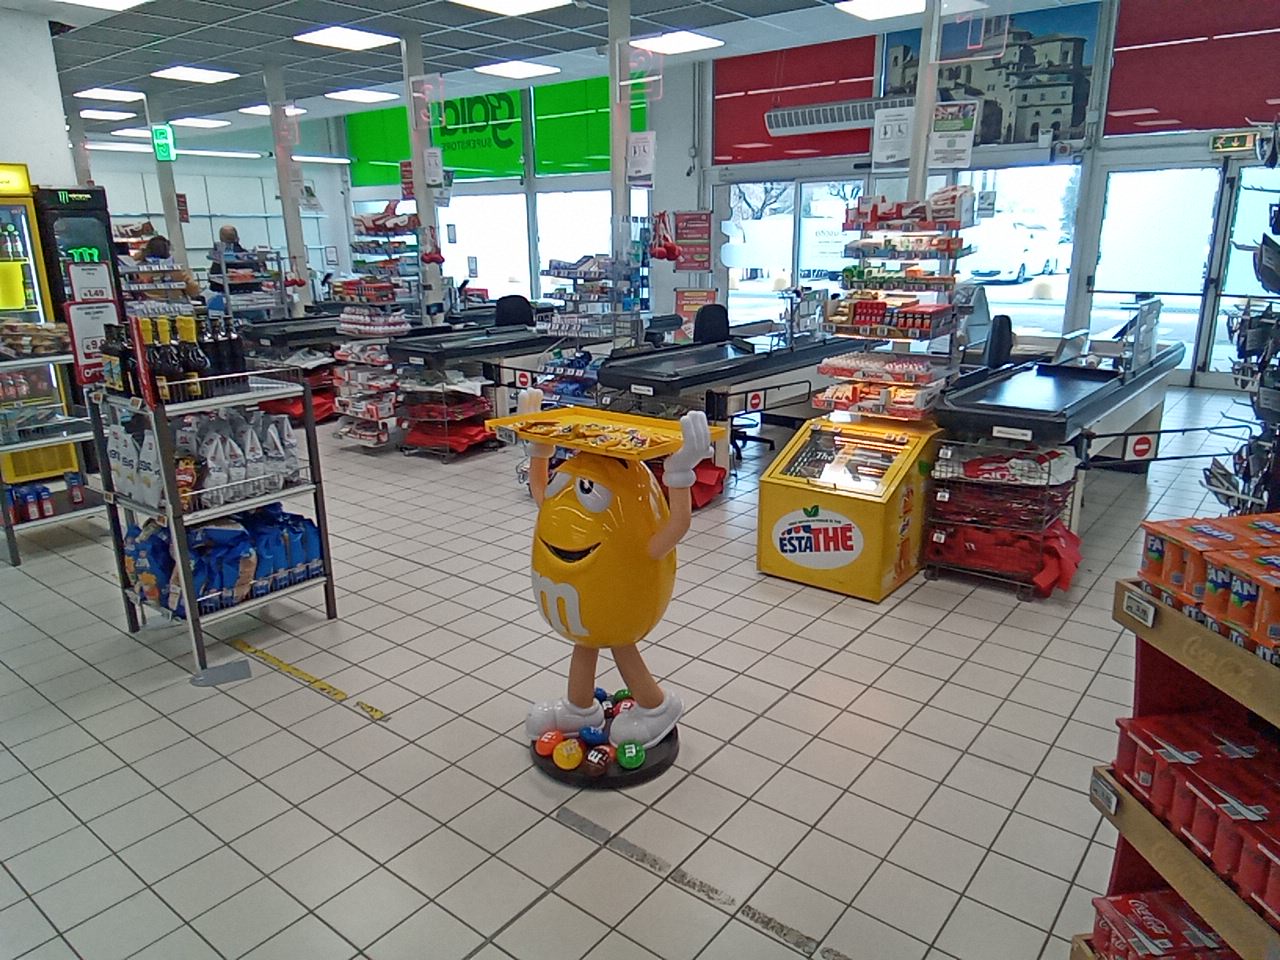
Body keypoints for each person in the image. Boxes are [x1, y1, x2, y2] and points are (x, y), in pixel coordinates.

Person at [520, 389, 711, 750]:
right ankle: (578, 708)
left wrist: (680, 472)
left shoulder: (636, 517)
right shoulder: (560, 500)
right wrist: (538, 445)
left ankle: (657, 706)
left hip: (624, 598)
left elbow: (678, 525)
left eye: (586, 490)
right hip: (586, 600)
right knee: (587, 640)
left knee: (621, 641)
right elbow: (541, 489)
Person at [133, 235, 200, 299]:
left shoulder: (137, 269)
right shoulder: (176, 271)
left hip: (147, 302)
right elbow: (193, 291)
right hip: (174, 302)